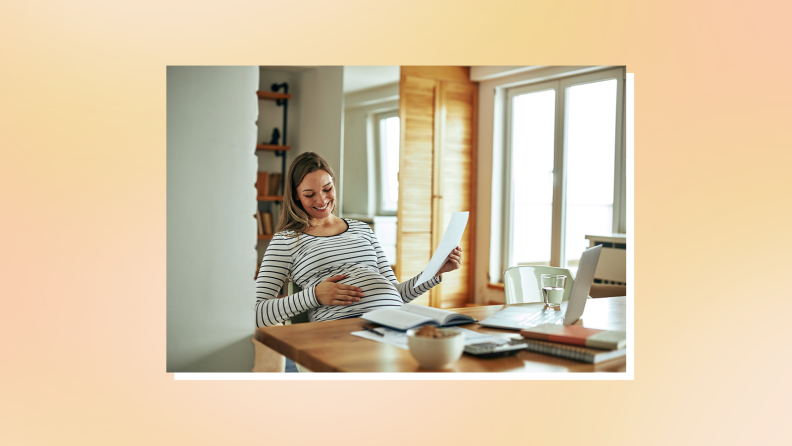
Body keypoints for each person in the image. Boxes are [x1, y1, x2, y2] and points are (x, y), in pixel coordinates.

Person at [255, 152, 463, 327]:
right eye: (310, 194)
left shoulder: (361, 229)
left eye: (327, 189)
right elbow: (256, 312)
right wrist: (315, 296)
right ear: (296, 196)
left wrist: (434, 272)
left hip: (394, 321)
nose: (322, 200)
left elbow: (396, 292)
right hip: (342, 329)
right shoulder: (287, 240)